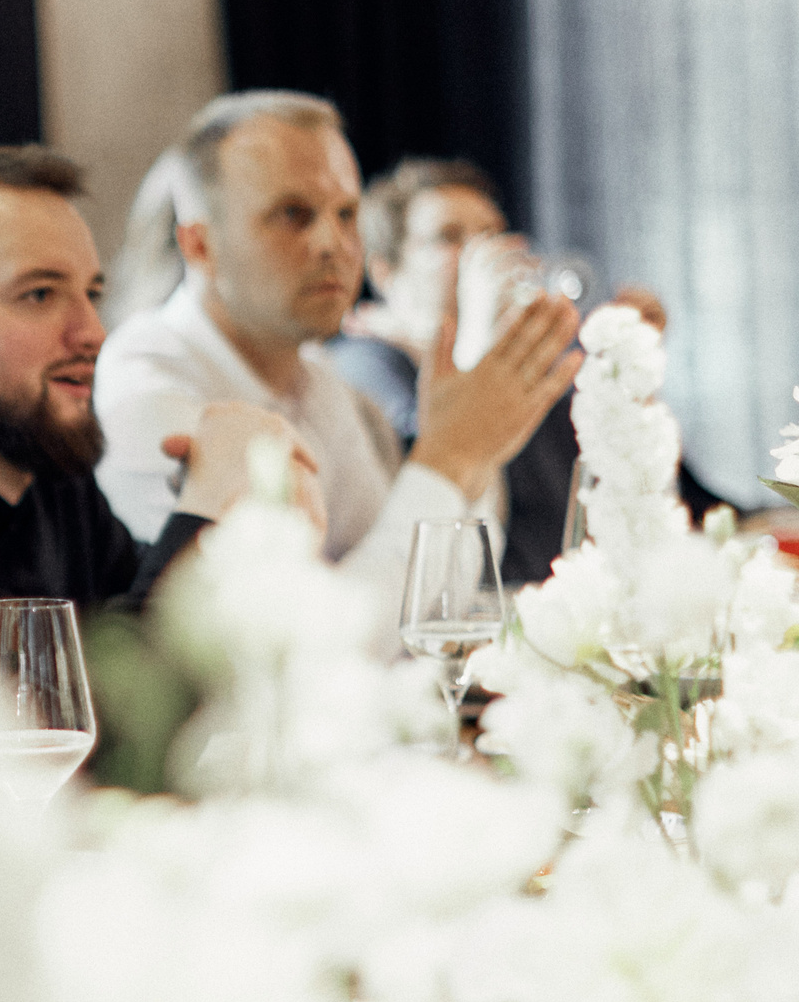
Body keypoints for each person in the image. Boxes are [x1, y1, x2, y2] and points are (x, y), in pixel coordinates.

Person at [95, 92, 579, 659]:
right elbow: (306, 647)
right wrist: (447, 459)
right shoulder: (147, 381)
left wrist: (476, 451)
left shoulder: (319, 380)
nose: (333, 244)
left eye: (345, 214)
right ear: (200, 243)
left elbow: (434, 598)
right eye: (293, 215)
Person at [0, 144, 314, 622]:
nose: (94, 333)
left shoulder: (51, 463)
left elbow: (121, 647)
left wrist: (240, 517)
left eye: (92, 293)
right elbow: (60, 692)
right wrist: (205, 514)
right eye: (39, 294)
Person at [343, 156, 738, 583]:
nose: (483, 253)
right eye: (451, 237)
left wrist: (622, 373)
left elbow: (632, 497)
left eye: (491, 234)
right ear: (385, 273)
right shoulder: (365, 363)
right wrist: (477, 339)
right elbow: (439, 468)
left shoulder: (537, 370)